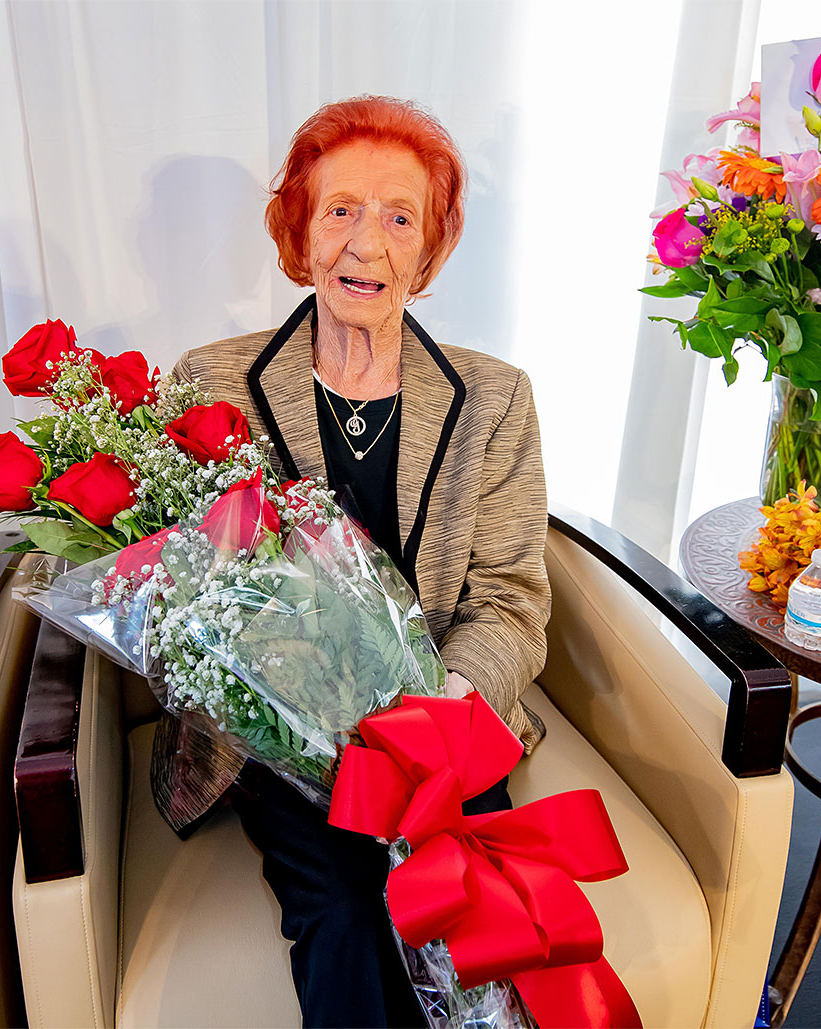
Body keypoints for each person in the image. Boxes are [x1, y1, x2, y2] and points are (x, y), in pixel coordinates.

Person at [155, 95, 550, 1028]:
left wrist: (444, 713)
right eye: (339, 210)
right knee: (341, 909)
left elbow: (508, 600)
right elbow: (191, 592)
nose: (365, 244)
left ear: (431, 248)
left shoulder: (495, 399)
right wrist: (307, 713)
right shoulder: (213, 383)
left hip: (442, 732)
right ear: (300, 232)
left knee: (468, 911)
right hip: (285, 739)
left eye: (399, 216)